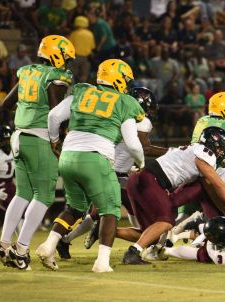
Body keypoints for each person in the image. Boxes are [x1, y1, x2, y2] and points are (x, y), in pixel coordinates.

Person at [35, 59, 145, 273]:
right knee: (110, 211)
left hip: (68, 156)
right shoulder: (125, 101)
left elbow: (53, 116)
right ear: (119, 79)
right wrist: (140, 163)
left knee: (75, 208)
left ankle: (49, 245)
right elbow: (133, 144)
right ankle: (102, 262)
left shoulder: (82, 91)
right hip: (96, 157)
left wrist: (55, 140)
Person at [0, 35, 75, 271]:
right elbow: (55, 112)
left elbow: (5, 105)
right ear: (56, 55)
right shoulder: (55, 76)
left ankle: (3, 244)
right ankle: (20, 250)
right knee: (44, 196)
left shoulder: (28, 72)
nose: (67, 63)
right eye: (66, 57)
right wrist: (60, 137)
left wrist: (25, 116)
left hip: (19, 137)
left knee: (23, 193)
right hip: (39, 138)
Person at [57, 87, 167, 259]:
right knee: (107, 212)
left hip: (111, 169)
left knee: (99, 213)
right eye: (149, 108)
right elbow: (143, 148)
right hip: (114, 173)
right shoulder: (142, 122)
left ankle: (65, 240)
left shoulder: (116, 113)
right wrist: (170, 152)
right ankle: (138, 245)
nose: (149, 112)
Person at [117, 126, 225, 265]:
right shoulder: (205, 153)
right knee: (165, 222)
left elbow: (210, 187)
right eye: (220, 147)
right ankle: (132, 253)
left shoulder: (191, 149)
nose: (221, 152)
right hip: (151, 181)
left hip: (138, 181)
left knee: (150, 234)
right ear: (212, 144)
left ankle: (108, 231)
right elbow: (217, 183)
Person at [69, 15, 96, 83]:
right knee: (84, 75)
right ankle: (82, 87)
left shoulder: (73, 34)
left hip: (76, 57)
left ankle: (73, 87)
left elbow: (69, 46)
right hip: (86, 58)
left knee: (73, 74)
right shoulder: (90, 34)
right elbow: (92, 47)